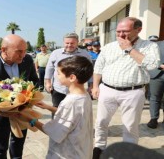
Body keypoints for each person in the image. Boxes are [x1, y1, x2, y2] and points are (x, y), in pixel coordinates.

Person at [92, 17, 160, 159]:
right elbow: (98, 68)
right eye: (118, 31)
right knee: (101, 122)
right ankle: (98, 149)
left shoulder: (149, 46)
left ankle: (128, 153)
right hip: (107, 89)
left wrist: (130, 49)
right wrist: (95, 86)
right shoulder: (109, 47)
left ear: (138, 30)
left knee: (130, 127)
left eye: (125, 31)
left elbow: (152, 65)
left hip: (133, 92)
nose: (121, 35)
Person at [17, 56, 93, 159]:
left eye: (58, 73)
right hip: (81, 149)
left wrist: (30, 120)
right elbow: (72, 116)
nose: (56, 76)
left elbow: (54, 132)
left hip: (68, 153)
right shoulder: (84, 95)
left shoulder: (70, 102)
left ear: (72, 77)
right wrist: (48, 107)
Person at [0, 34, 39, 159]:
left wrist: (28, 100)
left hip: (22, 113)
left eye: (25, 50)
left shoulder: (27, 60)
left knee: (18, 145)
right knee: (0, 149)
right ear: (4, 49)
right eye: (19, 51)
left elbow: (34, 81)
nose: (23, 54)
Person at [44, 32, 90, 109]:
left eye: (72, 43)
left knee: (74, 113)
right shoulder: (56, 53)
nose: (69, 45)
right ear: (63, 42)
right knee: (57, 112)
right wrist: (47, 82)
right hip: (59, 90)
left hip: (76, 91)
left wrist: (91, 85)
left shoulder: (84, 54)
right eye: (67, 43)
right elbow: (49, 68)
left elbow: (89, 70)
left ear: (77, 42)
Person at [147, 36, 164, 129]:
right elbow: (149, 58)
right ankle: (153, 119)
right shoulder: (156, 44)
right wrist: (160, 66)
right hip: (157, 75)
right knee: (155, 98)